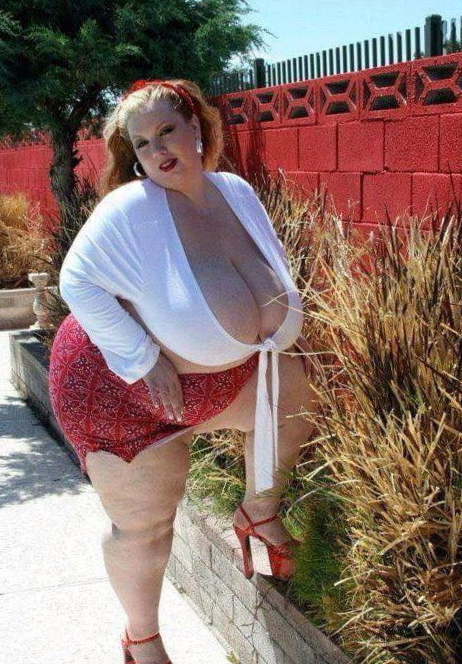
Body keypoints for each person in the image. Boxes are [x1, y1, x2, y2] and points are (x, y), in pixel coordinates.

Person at [48, 78, 317, 664]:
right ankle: (142, 639)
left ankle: (258, 513)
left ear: (197, 126)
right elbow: (77, 280)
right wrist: (143, 358)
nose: (158, 149)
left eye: (167, 130)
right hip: (119, 392)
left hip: (217, 380)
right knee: (146, 528)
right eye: (142, 143)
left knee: (296, 398)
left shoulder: (235, 192)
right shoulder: (131, 209)